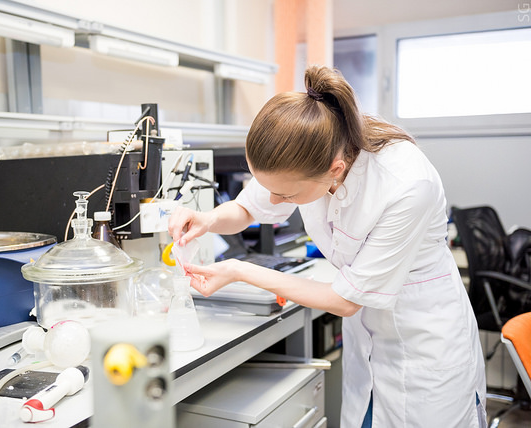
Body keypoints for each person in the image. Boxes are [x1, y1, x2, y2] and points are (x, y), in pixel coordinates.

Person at [168, 65, 487, 428]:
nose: (274, 200)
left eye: (287, 195)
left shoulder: (406, 184)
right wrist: (206, 219)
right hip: (366, 345)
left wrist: (238, 270)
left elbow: (345, 300)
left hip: (425, 350)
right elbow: (246, 209)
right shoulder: (305, 152)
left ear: (335, 169)